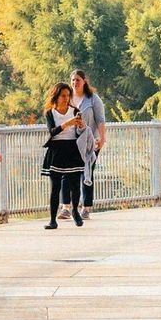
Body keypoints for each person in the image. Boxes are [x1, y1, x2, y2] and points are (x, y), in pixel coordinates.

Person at [40, 82, 86, 229]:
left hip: (72, 148)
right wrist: (68, 123)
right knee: (55, 187)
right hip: (57, 150)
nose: (66, 98)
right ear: (56, 96)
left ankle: (75, 211)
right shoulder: (50, 113)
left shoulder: (75, 111)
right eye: (63, 96)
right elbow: (52, 131)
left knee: (75, 185)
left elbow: (80, 130)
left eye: (68, 96)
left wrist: (80, 125)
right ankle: (53, 219)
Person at [70, 68, 107, 220]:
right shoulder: (68, 98)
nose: (75, 82)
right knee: (70, 173)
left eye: (78, 79)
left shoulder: (93, 99)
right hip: (72, 142)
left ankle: (86, 207)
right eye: (72, 80)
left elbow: (100, 120)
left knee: (87, 172)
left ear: (84, 81)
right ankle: (69, 206)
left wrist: (102, 138)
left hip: (91, 142)